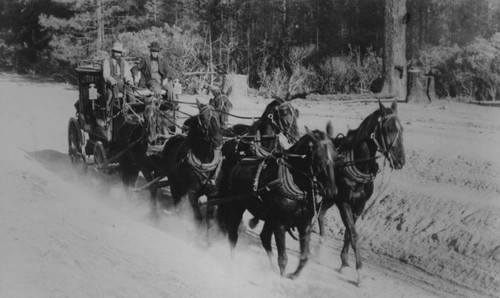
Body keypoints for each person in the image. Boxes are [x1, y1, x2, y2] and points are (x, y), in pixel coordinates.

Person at [102, 42, 133, 108]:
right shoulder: (107, 61)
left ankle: (132, 110)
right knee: (113, 96)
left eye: (119, 53)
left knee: (131, 93)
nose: (118, 55)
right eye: (116, 52)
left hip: (122, 83)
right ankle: (111, 113)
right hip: (111, 84)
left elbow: (127, 74)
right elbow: (106, 75)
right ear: (112, 52)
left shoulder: (124, 62)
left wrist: (129, 81)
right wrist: (111, 80)